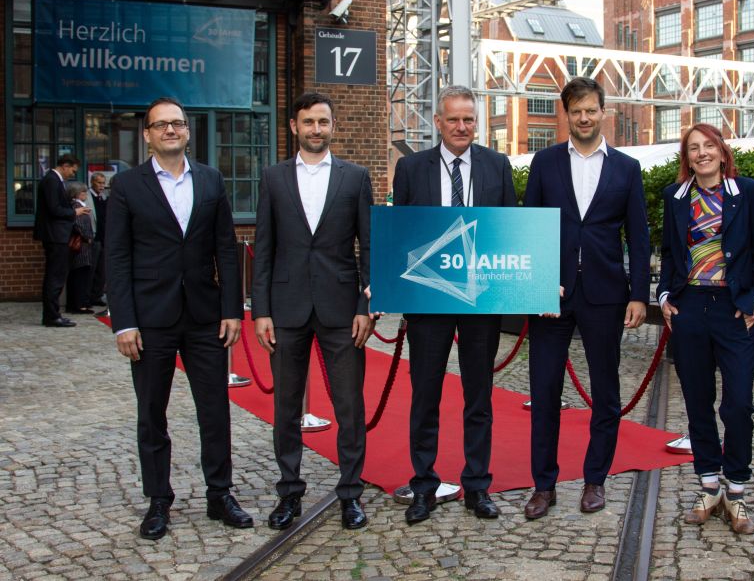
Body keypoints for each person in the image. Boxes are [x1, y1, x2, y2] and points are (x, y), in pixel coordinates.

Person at [106, 96, 252, 541]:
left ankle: (219, 493)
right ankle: (158, 501)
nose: (171, 130)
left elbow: (226, 250)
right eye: (161, 125)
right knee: (152, 413)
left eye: (178, 124)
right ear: (147, 134)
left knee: (215, 410)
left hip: (205, 316)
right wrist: (124, 322)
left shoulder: (209, 180)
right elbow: (117, 257)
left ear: (187, 132)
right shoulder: (128, 186)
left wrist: (232, 309)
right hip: (150, 319)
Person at [522, 77, 650, 519]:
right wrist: (536, 283)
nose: (584, 117)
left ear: (602, 112)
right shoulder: (545, 163)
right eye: (576, 110)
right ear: (566, 114)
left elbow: (638, 234)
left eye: (591, 109)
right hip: (550, 296)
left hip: (605, 295)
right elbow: (529, 228)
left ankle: (596, 479)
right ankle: (543, 485)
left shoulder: (627, 168)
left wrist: (639, 295)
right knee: (543, 391)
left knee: (607, 391)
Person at [392, 85, 517, 524]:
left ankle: (477, 486)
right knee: (425, 394)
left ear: (476, 122)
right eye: (454, 119)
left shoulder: (497, 166)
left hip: (481, 301)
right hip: (429, 303)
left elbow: (508, 231)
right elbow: (403, 234)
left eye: (469, 119)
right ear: (438, 123)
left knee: (478, 397)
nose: (462, 127)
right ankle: (423, 486)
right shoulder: (410, 168)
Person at [253, 92, 374, 531]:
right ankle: (289, 493)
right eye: (309, 122)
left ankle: (350, 495)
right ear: (294, 127)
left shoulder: (355, 177)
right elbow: (263, 248)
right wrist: (260, 309)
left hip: (343, 308)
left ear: (333, 126)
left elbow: (369, 246)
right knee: (286, 406)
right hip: (285, 309)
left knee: (349, 407)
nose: (316, 129)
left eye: (323, 122)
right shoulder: (273, 178)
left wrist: (366, 304)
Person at [657, 124, 754, 534]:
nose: (702, 153)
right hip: (689, 308)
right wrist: (664, 296)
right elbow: (670, 253)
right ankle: (709, 486)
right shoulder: (675, 198)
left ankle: (737, 491)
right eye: (694, 148)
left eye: (709, 146)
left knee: (739, 402)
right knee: (697, 401)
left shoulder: (747, 193)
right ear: (686, 157)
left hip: (733, 309)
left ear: (723, 152)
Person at [34, 153, 90, 327]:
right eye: (72, 170)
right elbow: (54, 209)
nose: (72, 174)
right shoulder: (52, 180)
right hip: (55, 235)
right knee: (55, 276)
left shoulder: (53, 180)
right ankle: (52, 315)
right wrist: (75, 212)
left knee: (56, 275)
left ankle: (52, 314)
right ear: (65, 165)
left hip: (56, 234)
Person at [65, 182, 96, 315]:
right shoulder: (76, 206)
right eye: (83, 193)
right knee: (79, 275)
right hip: (81, 246)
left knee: (80, 274)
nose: (85, 195)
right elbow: (78, 225)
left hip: (84, 246)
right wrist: (88, 236)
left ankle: (77, 303)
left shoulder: (79, 206)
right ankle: (78, 305)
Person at [85, 172, 109, 310]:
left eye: (103, 183)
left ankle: (97, 295)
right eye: (99, 183)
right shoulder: (88, 198)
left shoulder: (104, 198)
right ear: (92, 182)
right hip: (93, 238)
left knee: (102, 270)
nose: (102, 186)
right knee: (91, 269)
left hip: (104, 238)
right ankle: (87, 297)